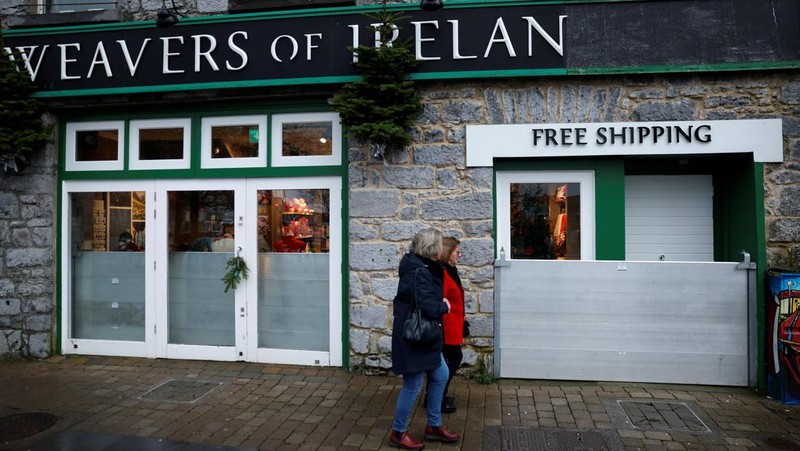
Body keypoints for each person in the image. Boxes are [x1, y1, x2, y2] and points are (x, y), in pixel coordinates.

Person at [389, 228, 460, 450]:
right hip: (414, 337)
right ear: (432, 248)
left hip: (425, 337)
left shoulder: (425, 267)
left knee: (441, 374)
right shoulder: (419, 271)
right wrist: (445, 306)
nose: (442, 248)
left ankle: (433, 425)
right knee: (413, 384)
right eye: (439, 244)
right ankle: (398, 433)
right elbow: (427, 305)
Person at [438, 237, 466, 414]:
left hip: (454, 323)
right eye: (457, 252)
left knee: (449, 360)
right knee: (453, 358)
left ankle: (438, 395)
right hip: (447, 325)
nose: (459, 255)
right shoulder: (443, 273)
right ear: (448, 253)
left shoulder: (451, 270)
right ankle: (437, 397)